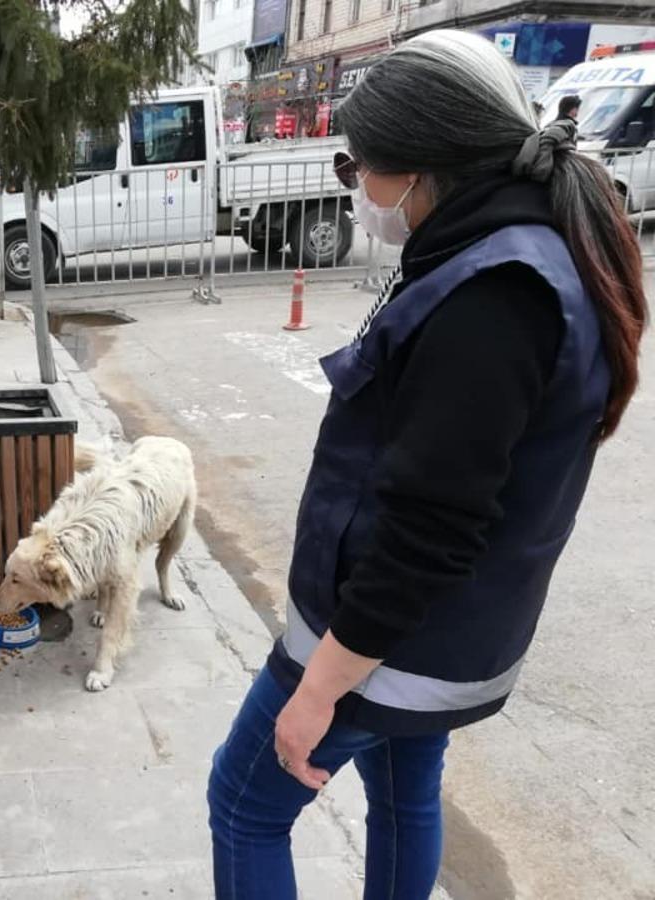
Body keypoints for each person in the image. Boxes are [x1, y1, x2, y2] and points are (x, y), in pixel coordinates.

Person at [208, 30, 647, 900]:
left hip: (382, 638)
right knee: (405, 795)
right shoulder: (523, 251)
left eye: (356, 166)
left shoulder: (496, 296)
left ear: (421, 169)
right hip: (444, 638)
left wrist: (320, 689)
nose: (358, 189)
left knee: (245, 803)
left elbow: (429, 527)